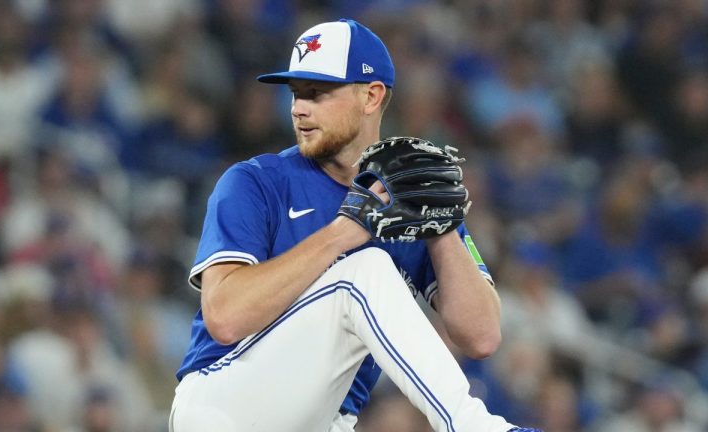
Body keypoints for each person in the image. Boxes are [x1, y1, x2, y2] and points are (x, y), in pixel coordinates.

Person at [170, 18, 541, 432]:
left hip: (327, 421)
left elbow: (482, 336)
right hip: (226, 404)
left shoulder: (406, 196)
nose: (298, 107)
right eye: (296, 93)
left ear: (371, 96)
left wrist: (445, 228)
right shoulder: (255, 181)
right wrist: (342, 234)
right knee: (363, 270)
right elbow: (224, 318)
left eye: (318, 92)